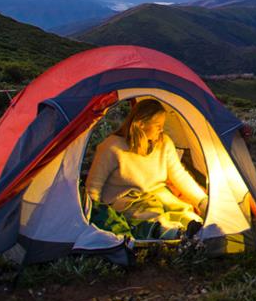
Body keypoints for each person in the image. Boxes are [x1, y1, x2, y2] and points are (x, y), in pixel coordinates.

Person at [85, 99, 208, 240]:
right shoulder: (112, 147)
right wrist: (93, 214)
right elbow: (93, 187)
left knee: (182, 210)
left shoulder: (164, 143)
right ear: (141, 124)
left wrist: (202, 201)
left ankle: (198, 228)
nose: (161, 130)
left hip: (159, 194)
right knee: (151, 216)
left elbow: (179, 176)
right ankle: (169, 234)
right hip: (128, 199)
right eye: (158, 125)